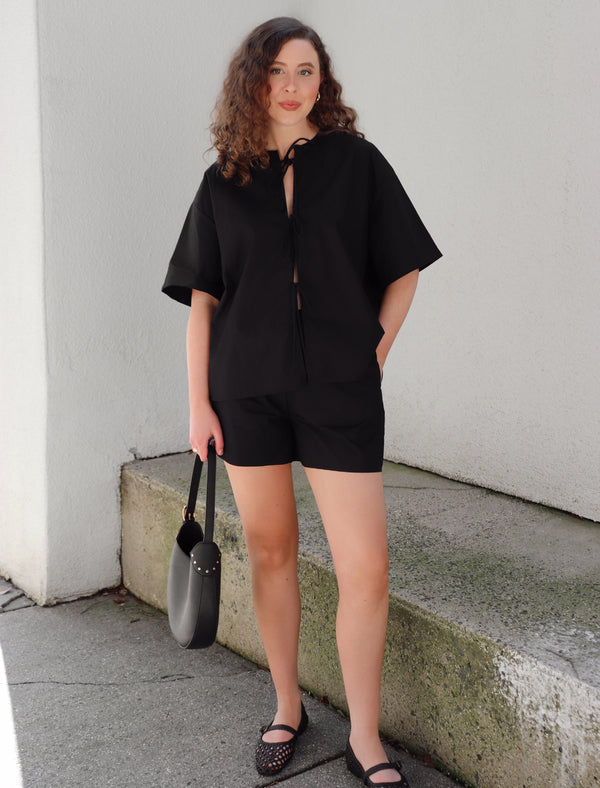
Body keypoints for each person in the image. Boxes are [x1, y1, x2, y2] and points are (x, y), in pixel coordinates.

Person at [162, 17, 441, 787]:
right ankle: (287, 705)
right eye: (277, 71)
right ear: (254, 81)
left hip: (338, 391)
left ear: (324, 82)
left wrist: (372, 351)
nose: (291, 85)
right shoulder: (224, 180)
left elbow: (406, 266)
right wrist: (199, 407)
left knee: (367, 570)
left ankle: (366, 739)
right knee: (273, 551)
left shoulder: (357, 163)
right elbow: (203, 303)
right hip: (244, 391)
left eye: (306, 71)